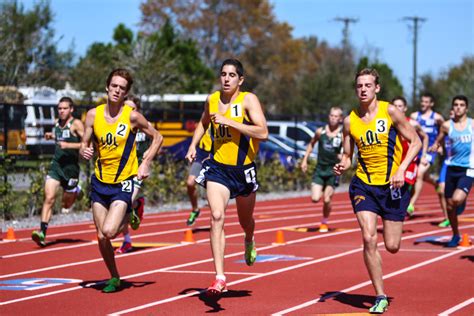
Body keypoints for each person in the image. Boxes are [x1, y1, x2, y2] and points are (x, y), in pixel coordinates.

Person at [334, 68, 421, 314]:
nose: (363, 89)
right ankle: (380, 295)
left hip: (392, 185)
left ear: (377, 88)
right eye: (359, 85)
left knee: (392, 246)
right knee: (368, 237)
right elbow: (349, 155)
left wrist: (401, 169)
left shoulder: (390, 111)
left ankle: (400, 210)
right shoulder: (350, 120)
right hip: (364, 185)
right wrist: (343, 164)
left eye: (368, 85)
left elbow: (416, 142)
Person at [185, 58, 268, 296]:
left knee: (245, 221)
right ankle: (220, 277)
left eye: (232, 75)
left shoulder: (248, 100)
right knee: (216, 216)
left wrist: (231, 122)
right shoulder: (212, 100)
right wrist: (194, 145)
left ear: (240, 80)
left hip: (243, 171)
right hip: (218, 169)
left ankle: (249, 238)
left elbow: (263, 133)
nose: (226, 79)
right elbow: (203, 123)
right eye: (223, 74)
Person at [80, 68, 163, 293]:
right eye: (114, 86)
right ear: (107, 87)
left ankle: (131, 208)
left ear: (126, 93)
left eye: (122, 88)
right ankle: (115, 276)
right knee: (100, 235)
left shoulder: (132, 116)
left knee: (108, 231)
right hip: (99, 182)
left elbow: (158, 137)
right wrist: (84, 151)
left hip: (123, 182)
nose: (117, 91)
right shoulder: (93, 115)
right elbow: (85, 143)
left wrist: (145, 161)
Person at [31, 97, 84, 247]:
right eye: (59, 108)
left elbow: (87, 143)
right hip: (57, 166)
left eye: (65, 108)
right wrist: (52, 136)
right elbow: (61, 137)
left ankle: (77, 190)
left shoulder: (76, 124)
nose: (61, 111)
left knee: (66, 206)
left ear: (71, 109)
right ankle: (42, 233)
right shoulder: (57, 123)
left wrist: (68, 145)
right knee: (49, 198)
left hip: (71, 169)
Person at [429, 95, 472, 247]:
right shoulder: (447, 126)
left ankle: (462, 198)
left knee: (456, 200)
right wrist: (435, 146)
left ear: (466, 108)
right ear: (453, 107)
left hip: (468, 168)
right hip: (451, 168)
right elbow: (439, 139)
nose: (458, 107)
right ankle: (455, 235)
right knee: (449, 206)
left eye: (461, 105)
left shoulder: (472, 125)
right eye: (456, 105)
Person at [115, 96, 151, 254]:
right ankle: (138, 205)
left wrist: (147, 159)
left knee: (124, 203)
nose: (129, 112)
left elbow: (157, 140)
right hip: (121, 170)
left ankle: (126, 241)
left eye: (133, 109)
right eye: (126, 108)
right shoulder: (119, 125)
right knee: (120, 203)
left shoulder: (143, 124)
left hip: (137, 171)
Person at [300, 107, 343, 233]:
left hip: (333, 171)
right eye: (331, 116)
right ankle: (322, 190)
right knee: (315, 198)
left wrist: (343, 158)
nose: (333, 118)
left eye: (336, 116)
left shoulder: (342, 134)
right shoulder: (321, 131)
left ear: (340, 119)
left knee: (327, 199)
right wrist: (305, 159)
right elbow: (311, 143)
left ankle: (324, 221)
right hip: (320, 169)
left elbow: (347, 150)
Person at [408, 93, 445, 215]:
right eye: (422, 101)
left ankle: (411, 204)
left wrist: (439, 146)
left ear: (431, 104)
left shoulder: (437, 117)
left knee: (419, 173)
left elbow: (445, 131)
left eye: (426, 102)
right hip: (416, 149)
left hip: (429, 151)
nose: (423, 104)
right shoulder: (414, 116)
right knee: (418, 176)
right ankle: (435, 183)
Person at [391, 96, 429, 209]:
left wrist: (424, 155)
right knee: (394, 193)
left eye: (400, 106)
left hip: (409, 161)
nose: (397, 108)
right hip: (395, 160)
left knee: (403, 188)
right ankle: (398, 216)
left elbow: (425, 137)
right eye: (395, 106)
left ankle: (408, 206)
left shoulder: (413, 123)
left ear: (405, 108)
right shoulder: (388, 123)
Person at [185, 127, 212, 226]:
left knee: (212, 191)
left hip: (215, 156)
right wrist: (192, 147)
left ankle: (217, 220)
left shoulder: (223, 118)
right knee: (190, 183)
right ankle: (195, 209)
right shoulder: (206, 117)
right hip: (201, 155)